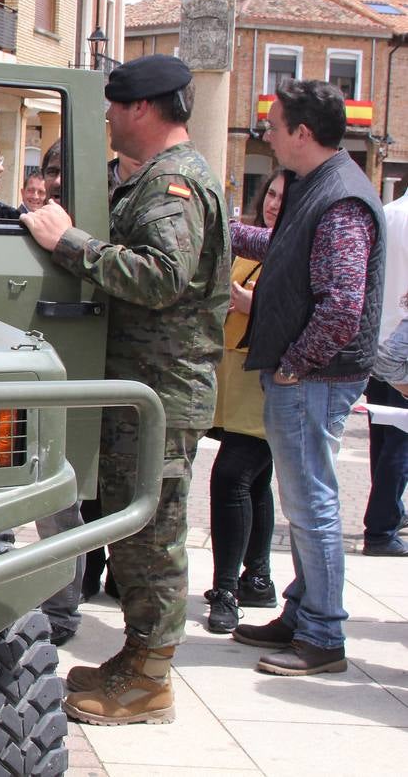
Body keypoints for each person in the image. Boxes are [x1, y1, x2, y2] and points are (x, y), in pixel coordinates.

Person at [19, 54, 229, 726]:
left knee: (152, 534)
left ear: (141, 108)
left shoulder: (173, 184)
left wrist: (71, 243)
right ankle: (137, 661)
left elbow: (162, 276)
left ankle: (149, 680)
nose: (106, 117)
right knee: (136, 526)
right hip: (145, 387)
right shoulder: (162, 178)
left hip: (159, 392)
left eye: (113, 105)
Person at [231, 79, 386, 677]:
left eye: (273, 125)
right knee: (303, 501)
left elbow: (343, 304)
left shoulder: (341, 197)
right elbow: (288, 247)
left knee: (313, 503)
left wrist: (296, 365)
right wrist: (224, 232)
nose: (265, 134)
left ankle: (322, 634)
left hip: (314, 379)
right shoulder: (317, 187)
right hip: (308, 376)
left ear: (301, 132)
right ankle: (302, 613)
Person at [204, 172, 286, 634]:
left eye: (284, 197)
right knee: (255, 481)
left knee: (232, 476)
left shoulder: (297, 247)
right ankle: (257, 577)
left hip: (266, 377)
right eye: (270, 194)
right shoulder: (255, 243)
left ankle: (227, 589)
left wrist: (254, 305)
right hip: (235, 374)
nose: (274, 203)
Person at [361, 190, 408, 556]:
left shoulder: (386, 213)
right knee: (400, 442)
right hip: (402, 344)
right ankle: (381, 527)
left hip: (376, 336)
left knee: (384, 435)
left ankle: (387, 513)